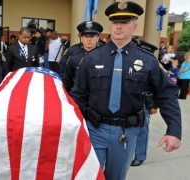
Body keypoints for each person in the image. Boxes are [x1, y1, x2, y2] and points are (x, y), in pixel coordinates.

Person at [71, 1, 182, 179]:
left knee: (116, 176)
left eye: (124, 22)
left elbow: (167, 94)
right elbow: (78, 96)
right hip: (95, 129)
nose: (119, 27)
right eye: (115, 22)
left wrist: (174, 131)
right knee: (89, 175)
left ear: (134, 26)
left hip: (126, 133)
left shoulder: (148, 61)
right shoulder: (92, 59)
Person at [130, 40, 159, 167]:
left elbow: (158, 88)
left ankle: (140, 155)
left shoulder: (154, 66)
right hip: (130, 100)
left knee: (142, 129)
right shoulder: (132, 63)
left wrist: (154, 105)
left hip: (144, 102)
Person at [62, 21, 103, 93]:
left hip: (97, 95)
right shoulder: (73, 52)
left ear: (98, 38)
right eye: (86, 36)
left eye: (92, 36)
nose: (89, 39)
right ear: (81, 37)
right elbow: (65, 77)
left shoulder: (104, 53)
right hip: (76, 94)